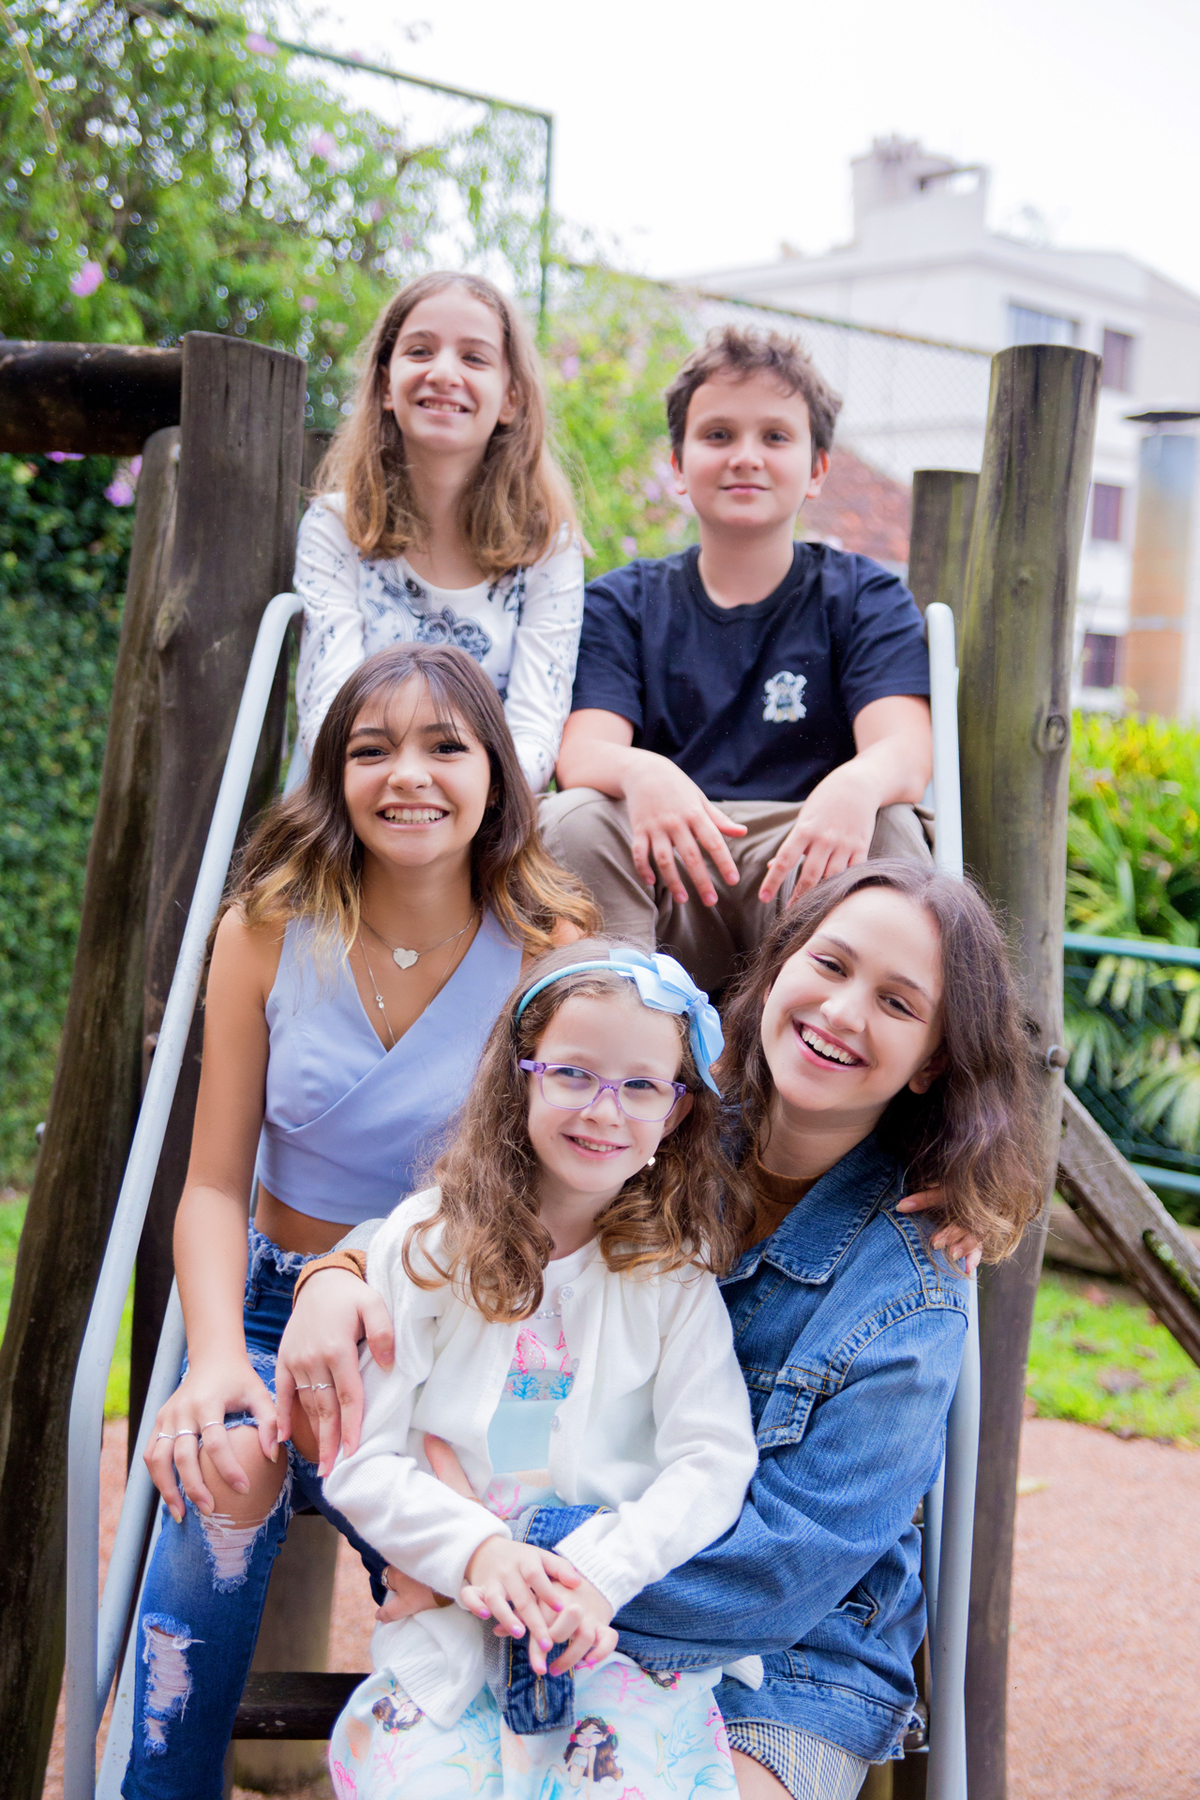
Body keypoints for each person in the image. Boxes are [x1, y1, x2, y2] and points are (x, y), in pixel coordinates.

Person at [282, 861, 1043, 1799]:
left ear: (932, 1056)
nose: (844, 1011)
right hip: (533, 1591)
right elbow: (469, 1223)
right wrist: (337, 1270)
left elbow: (782, 1571)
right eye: (831, 964)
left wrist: (511, 1562)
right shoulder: (650, 1115)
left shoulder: (913, 1286)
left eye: (896, 1002)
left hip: (784, 1654)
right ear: (777, 969)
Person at [123, 643, 597, 1800]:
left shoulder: (553, 952)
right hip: (275, 1298)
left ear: (496, 772)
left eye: (446, 745)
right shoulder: (267, 929)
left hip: (452, 1321)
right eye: (372, 749)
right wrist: (220, 1356)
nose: (409, 775)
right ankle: (159, 1786)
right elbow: (210, 1187)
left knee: (487, 1536)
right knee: (223, 1463)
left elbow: (572, 1192)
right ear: (334, 774)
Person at [320, 939, 762, 1798]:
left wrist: (600, 1571)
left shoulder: (671, 1274)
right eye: (574, 1074)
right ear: (523, 1075)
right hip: (457, 1625)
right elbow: (360, 1459)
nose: (604, 1109)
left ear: (674, 1114)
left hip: (612, 1635)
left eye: (640, 1086)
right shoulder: (426, 1248)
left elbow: (715, 1459)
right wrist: (476, 1551)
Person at [540, 325, 935, 994]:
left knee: (892, 823)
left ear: (817, 470)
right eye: (718, 435)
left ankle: (835, 1073)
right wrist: (643, 772)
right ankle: (625, 1042)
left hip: (808, 867)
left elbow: (905, 750)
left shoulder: (865, 596)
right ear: (678, 464)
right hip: (666, 867)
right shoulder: (624, 602)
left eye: (775, 437)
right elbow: (581, 754)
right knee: (572, 816)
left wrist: (858, 784)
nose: (745, 457)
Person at [293, 270, 584, 796]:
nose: (444, 373)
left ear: (511, 397)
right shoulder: (338, 528)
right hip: (357, 807)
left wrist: (459, 809)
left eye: (474, 358)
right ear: (385, 384)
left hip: (489, 818)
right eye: (420, 351)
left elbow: (536, 730)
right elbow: (327, 715)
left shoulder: (547, 548)